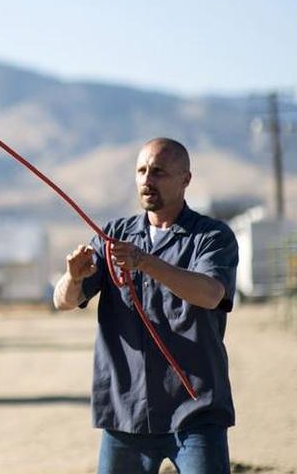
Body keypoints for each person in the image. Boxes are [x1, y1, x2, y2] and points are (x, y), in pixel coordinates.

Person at [53, 137, 238, 474]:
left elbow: (211, 294)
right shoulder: (112, 236)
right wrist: (73, 277)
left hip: (195, 412)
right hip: (127, 414)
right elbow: (63, 301)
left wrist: (144, 262)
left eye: (159, 172)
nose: (147, 180)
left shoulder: (212, 237)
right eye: (142, 171)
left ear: (186, 179)